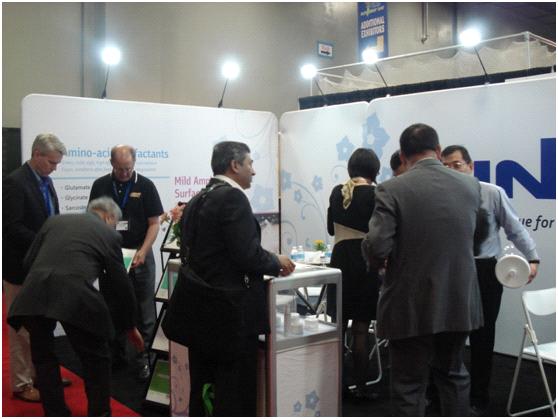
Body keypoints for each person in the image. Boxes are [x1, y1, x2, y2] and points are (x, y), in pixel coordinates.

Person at [361, 123, 486, 416]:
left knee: (409, 385)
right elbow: (478, 236)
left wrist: (374, 258)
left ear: (403, 155)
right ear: (439, 150)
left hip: (409, 303)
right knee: (454, 375)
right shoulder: (471, 186)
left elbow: (377, 246)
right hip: (458, 300)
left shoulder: (391, 188)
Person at [170, 141, 295, 416]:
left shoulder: (198, 198)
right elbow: (246, 255)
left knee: (204, 384)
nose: (254, 171)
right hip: (229, 314)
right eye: (250, 164)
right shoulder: (232, 198)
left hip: (202, 310)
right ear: (234, 165)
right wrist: (276, 262)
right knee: (233, 389)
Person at [7, 197, 144, 416]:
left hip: (33, 294)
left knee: (44, 359)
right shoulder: (108, 234)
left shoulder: (54, 221)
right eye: (114, 223)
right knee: (97, 361)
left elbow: (28, 261)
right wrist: (130, 326)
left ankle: (56, 413)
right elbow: (121, 284)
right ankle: (99, 414)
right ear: (109, 217)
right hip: (75, 296)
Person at [441, 144, 539, 415]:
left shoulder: (492, 193)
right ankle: (445, 396)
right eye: (445, 166)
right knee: (447, 335)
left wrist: (533, 258)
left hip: (484, 270)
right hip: (450, 270)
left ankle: (479, 397)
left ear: (470, 166)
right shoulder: (438, 196)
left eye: (457, 165)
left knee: (483, 337)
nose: (452, 170)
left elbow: (515, 229)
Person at [2, 133, 68, 403]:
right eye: (52, 162)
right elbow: (11, 227)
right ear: (37, 154)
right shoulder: (15, 182)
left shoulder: (46, 181)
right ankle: (22, 384)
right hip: (20, 269)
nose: (55, 168)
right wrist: (45, 241)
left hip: (42, 266)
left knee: (41, 327)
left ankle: (42, 374)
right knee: (20, 329)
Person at [89, 145, 163, 379]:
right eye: (120, 168)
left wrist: (144, 250)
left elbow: (154, 223)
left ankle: (145, 359)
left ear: (134, 163)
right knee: (112, 307)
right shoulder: (100, 185)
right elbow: (93, 220)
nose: (124, 173)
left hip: (140, 255)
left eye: (128, 168)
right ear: (112, 163)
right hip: (111, 257)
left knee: (144, 310)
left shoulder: (146, 185)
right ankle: (116, 356)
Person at [326, 147, 381, 400]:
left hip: (339, 260)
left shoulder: (337, 191)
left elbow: (331, 229)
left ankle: (336, 387)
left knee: (338, 327)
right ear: (374, 170)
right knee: (360, 329)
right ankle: (361, 388)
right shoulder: (376, 194)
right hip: (364, 262)